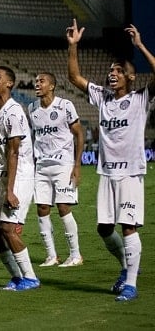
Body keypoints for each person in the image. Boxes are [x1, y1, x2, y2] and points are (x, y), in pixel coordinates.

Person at [67, 20, 153, 302]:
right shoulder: (103, 97)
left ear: (131, 78)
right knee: (104, 228)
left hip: (130, 173)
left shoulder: (141, 99)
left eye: (119, 71)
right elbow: (75, 77)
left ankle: (130, 284)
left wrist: (139, 46)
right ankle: (128, 268)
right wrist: (73, 46)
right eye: (111, 70)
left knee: (128, 225)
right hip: (106, 172)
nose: (112, 73)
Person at [0, 66, 39, 291]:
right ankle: (16, 277)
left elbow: (13, 153)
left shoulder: (14, 112)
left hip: (20, 177)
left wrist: (11, 190)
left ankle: (31, 278)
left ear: (10, 83)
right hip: (0, 176)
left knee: (7, 228)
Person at [27, 72, 84, 267]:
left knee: (63, 207)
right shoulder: (32, 108)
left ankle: (75, 255)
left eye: (41, 81)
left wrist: (77, 165)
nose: (37, 84)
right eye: (36, 81)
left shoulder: (65, 106)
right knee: (42, 208)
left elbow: (79, 135)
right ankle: (51, 255)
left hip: (63, 164)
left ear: (51, 86)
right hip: (42, 166)